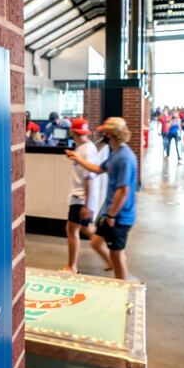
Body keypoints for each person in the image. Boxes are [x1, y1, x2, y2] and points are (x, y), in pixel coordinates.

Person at [66, 117, 137, 280]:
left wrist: (111, 215)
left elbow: (123, 190)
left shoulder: (124, 158)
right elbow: (98, 169)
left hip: (120, 215)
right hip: (110, 212)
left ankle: (123, 288)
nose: (102, 134)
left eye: (105, 132)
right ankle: (115, 265)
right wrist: (77, 158)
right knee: (97, 241)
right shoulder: (116, 153)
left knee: (117, 256)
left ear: (112, 134)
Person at [61, 118, 112, 274]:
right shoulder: (85, 147)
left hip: (81, 198)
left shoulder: (86, 150)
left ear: (73, 132)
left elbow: (89, 178)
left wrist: (86, 205)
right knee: (86, 229)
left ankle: (72, 267)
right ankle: (112, 258)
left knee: (71, 231)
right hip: (83, 198)